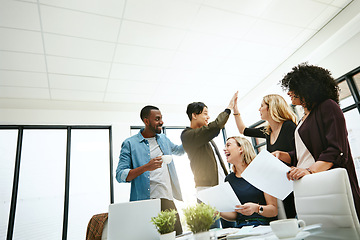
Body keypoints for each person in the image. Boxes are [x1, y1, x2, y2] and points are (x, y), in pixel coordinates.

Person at [273, 63, 360, 220]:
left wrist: (310, 171)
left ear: (307, 88)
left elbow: (336, 149)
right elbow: (305, 154)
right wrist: (283, 155)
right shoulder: (304, 117)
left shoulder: (328, 106)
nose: (289, 93)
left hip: (326, 182)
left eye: (293, 88)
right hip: (308, 183)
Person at [116, 105, 185, 235]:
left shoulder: (164, 139)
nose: (161, 122)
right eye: (157, 119)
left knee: (177, 237)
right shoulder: (130, 143)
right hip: (144, 204)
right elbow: (120, 175)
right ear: (146, 121)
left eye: (161, 118)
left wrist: (193, 134)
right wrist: (146, 167)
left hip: (167, 200)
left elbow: (179, 150)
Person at [233, 94, 297, 218]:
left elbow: (299, 155)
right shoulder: (267, 132)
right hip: (280, 185)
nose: (259, 109)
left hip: (293, 183)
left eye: (262, 106)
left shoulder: (289, 127)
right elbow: (243, 130)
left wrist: (280, 155)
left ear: (271, 107)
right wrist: (235, 111)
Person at [181, 92, 237, 228]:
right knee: (213, 232)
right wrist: (228, 109)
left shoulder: (205, 137)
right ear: (194, 115)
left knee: (233, 230)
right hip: (207, 191)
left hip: (221, 188)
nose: (208, 116)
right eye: (205, 113)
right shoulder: (188, 135)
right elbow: (215, 127)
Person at [220, 136, 278, 227]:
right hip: (241, 228)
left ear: (241, 148)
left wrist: (257, 208)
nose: (224, 149)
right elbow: (235, 215)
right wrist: (219, 212)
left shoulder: (261, 173)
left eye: (228, 145)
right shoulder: (229, 179)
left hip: (263, 226)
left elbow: (273, 211)